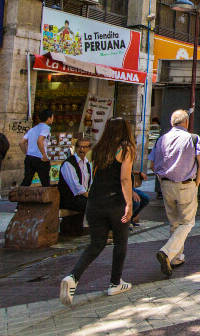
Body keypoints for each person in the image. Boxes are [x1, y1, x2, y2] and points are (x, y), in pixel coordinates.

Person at [59, 117, 135, 305]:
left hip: (94, 203)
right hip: (116, 203)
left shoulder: (99, 149)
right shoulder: (126, 148)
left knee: (96, 243)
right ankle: (115, 282)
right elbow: (125, 179)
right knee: (120, 241)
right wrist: (129, 203)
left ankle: (73, 277)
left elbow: (96, 176)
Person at [149, 109, 200, 276]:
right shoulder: (192, 138)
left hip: (166, 185)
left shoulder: (161, 139)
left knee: (174, 222)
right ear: (186, 123)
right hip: (186, 184)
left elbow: (152, 165)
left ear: (171, 123)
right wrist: (197, 183)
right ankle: (167, 252)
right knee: (187, 222)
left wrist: (162, 178)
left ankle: (175, 257)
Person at [58, 137, 94, 233]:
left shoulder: (87, 163)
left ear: (89, 148)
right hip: (69, 199)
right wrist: (89, 196)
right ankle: (96, 231)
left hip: (81, 198)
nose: (81, 149)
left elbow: (89, 183)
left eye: (84, 147)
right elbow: (76, 187)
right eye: (79, 147)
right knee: (92, 205)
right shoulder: (69, 164)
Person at [20, 109, 54, 187]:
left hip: (30, 157)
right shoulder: (46, 128)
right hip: (40, 158)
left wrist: (27, 153)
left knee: (27, 181)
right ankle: (47, 198)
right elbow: (40, 141)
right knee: (45, 182)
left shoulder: (33, 129)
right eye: (52, 117)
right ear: (49, 118)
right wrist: (44, 156)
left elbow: (21, 143)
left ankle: (19, 196)